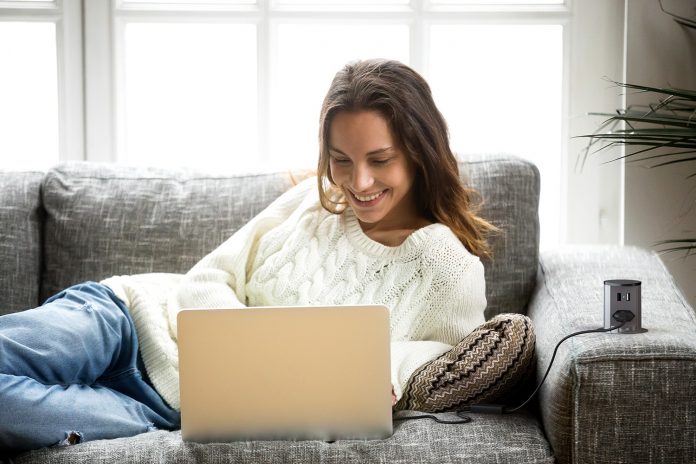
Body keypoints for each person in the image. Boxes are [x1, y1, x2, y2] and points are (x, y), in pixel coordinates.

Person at [0, 58, 534, 451]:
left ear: (419, 152)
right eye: (341, 160)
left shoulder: (447, 270)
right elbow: (205, 280)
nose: (358, 182)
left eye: (380, 160)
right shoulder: (314, 201)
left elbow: (422, 369)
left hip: (161, 409)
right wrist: (248, 353)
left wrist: (377, 377)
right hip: (127, 317)